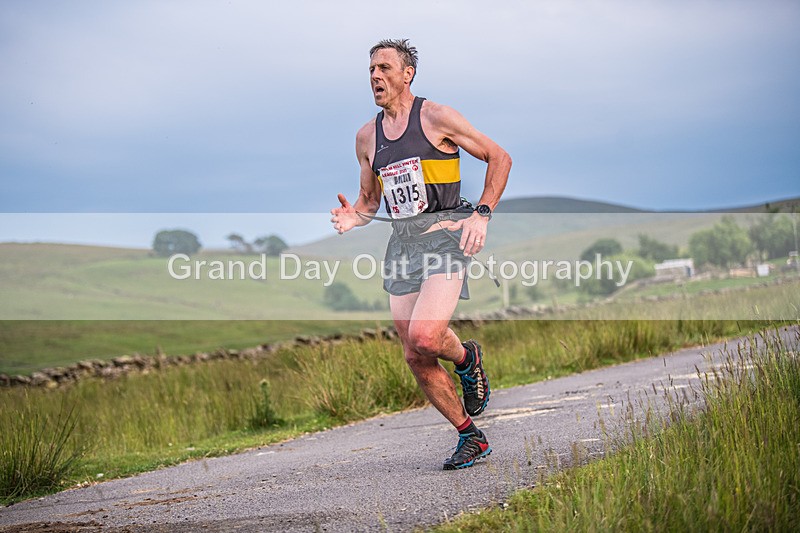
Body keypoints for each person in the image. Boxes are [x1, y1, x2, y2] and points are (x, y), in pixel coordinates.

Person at [330, 39, 511, 470]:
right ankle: (470, 436)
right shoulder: (366, 137)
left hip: (445, 235)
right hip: (403, 246)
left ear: (407, 73)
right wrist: (353, 217)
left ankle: (467, 359)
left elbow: (498, 157)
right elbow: (369, 202)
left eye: (384, 68)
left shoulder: (436, 117)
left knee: (427, 336)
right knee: (415, 354)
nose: (375, 76)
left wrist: (481, 215)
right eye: (371, 69)